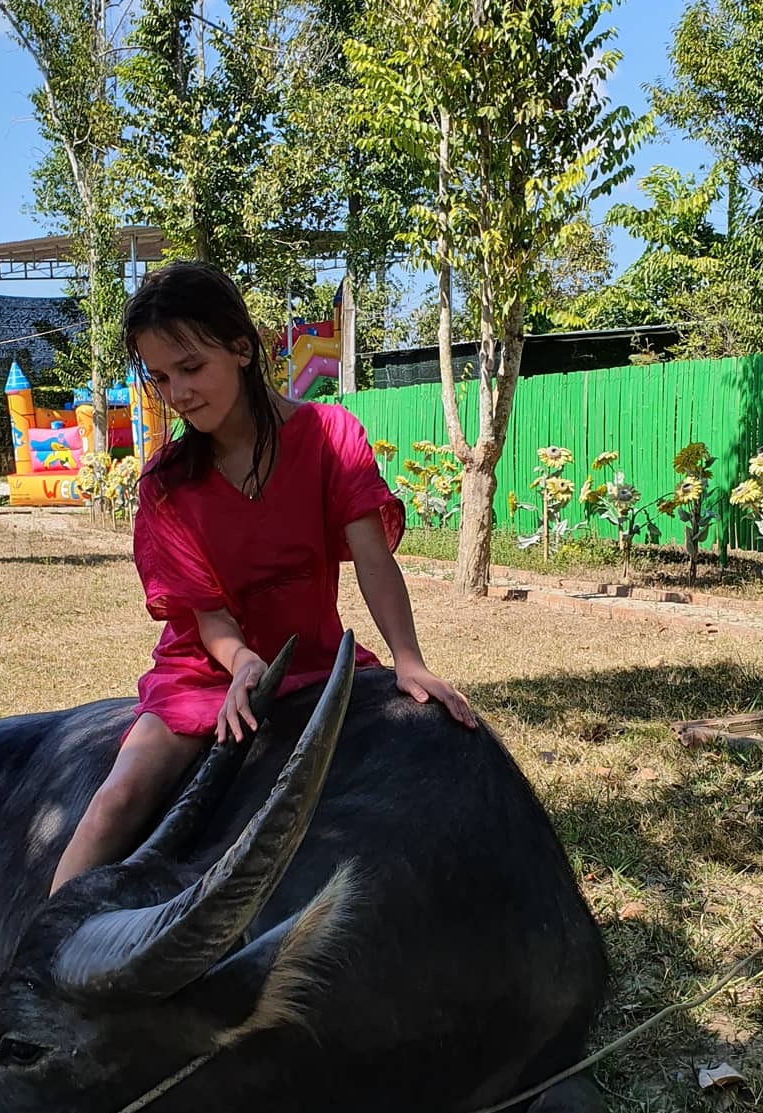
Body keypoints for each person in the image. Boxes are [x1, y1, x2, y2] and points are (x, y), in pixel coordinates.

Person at [49, 261, 475, 895]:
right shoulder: (166, 483)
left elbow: (374, 560)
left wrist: (408, 660)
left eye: (191, 368)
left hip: (318, 661)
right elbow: (206, 616)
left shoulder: (331, 436)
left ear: (242, 348)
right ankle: (33, 963)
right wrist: (244, 663)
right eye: (162, 378)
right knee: (120, 797)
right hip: (206, 671)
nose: (179, 393)